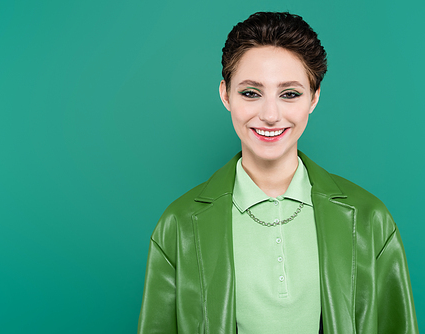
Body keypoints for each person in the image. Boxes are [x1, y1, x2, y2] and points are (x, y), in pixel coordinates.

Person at [138, 12, 418, 333]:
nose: (270, 115)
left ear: (314, 98)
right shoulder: (178, 225)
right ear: (225, 94)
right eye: (250, 92)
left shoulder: (370, 219)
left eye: (290, 93)